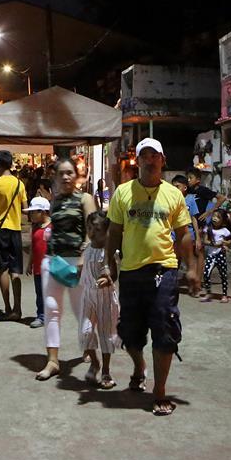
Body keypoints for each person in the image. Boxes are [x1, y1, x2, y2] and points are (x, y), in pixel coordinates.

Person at [105, 138, 200, 416]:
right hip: (131, 271)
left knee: (165, 329)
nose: (149, 160)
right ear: (137, 161)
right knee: (129, 333)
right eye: (144, 156)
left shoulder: (174, 195)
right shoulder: (123, 193)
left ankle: (159, 391)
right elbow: (114, 231)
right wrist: (110, 263)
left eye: (154, 155)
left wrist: (192, 267)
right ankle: (139, 366)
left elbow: (184, 234)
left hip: (164, 269)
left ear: (163, 159)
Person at [35, 158, 98, 380]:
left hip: (76, 263)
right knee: (51, 309)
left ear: (76, 174)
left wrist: (84, 256)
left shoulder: (85, 198)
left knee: (82, 311)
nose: (65, 177)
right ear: (55, 176)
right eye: (61, 173)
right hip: (53, 261)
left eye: (69, 172)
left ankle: (92, 357)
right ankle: (52, 361)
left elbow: (93, 227)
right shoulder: (55, 201)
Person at [0, 150, 28, 321]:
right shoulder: (20, 184)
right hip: (15, 229)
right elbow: (25, 209)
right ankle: (18, 310)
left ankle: (7, 308)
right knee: (15, 270)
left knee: (3, 269)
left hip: (0, 229)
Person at [80, 212, 120, 389]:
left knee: (106, 336)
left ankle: (106, 370)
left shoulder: (108, 252)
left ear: (106, 232)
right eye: (89, 228)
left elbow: (114, 272)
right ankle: (94, 362)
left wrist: (108, 278)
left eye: (97, 230)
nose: (92, 233)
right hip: (88, 296)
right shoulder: (87, 248)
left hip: (105, 299)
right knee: (85, 332)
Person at [26, 196, 52, 329]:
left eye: (33, 212)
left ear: (42, 212)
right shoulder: (35, 227)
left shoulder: (53, 227)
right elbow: (32, 246)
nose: (31, 215)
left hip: (50, 268)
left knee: (50, 293)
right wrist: (29, 263)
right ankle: (41, 315)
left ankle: (49, 315)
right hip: (37, 267)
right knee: (40, 293)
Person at [200, 209, 231, 303]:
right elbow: (205, 241)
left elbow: (230, 241)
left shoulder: (225, 231)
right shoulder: (208, 229)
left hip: (220, 255)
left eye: (218, 217)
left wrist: (224, 243)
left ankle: (224, 295)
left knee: (223, 275)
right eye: (214, 216)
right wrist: (213, 244)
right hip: (211, 255)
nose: (215, 218)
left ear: (223, 220)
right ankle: (208, 293)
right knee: (206, 273)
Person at [172, 175, 203, 268]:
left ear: (185, 187)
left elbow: (194, 219)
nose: (174, 189)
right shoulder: (171, 200)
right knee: (175, 260)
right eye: (173, 187)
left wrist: (197, 238)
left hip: (188, 234)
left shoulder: (190, 199)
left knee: (190, 260)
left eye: (177, 186)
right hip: (173, 234)